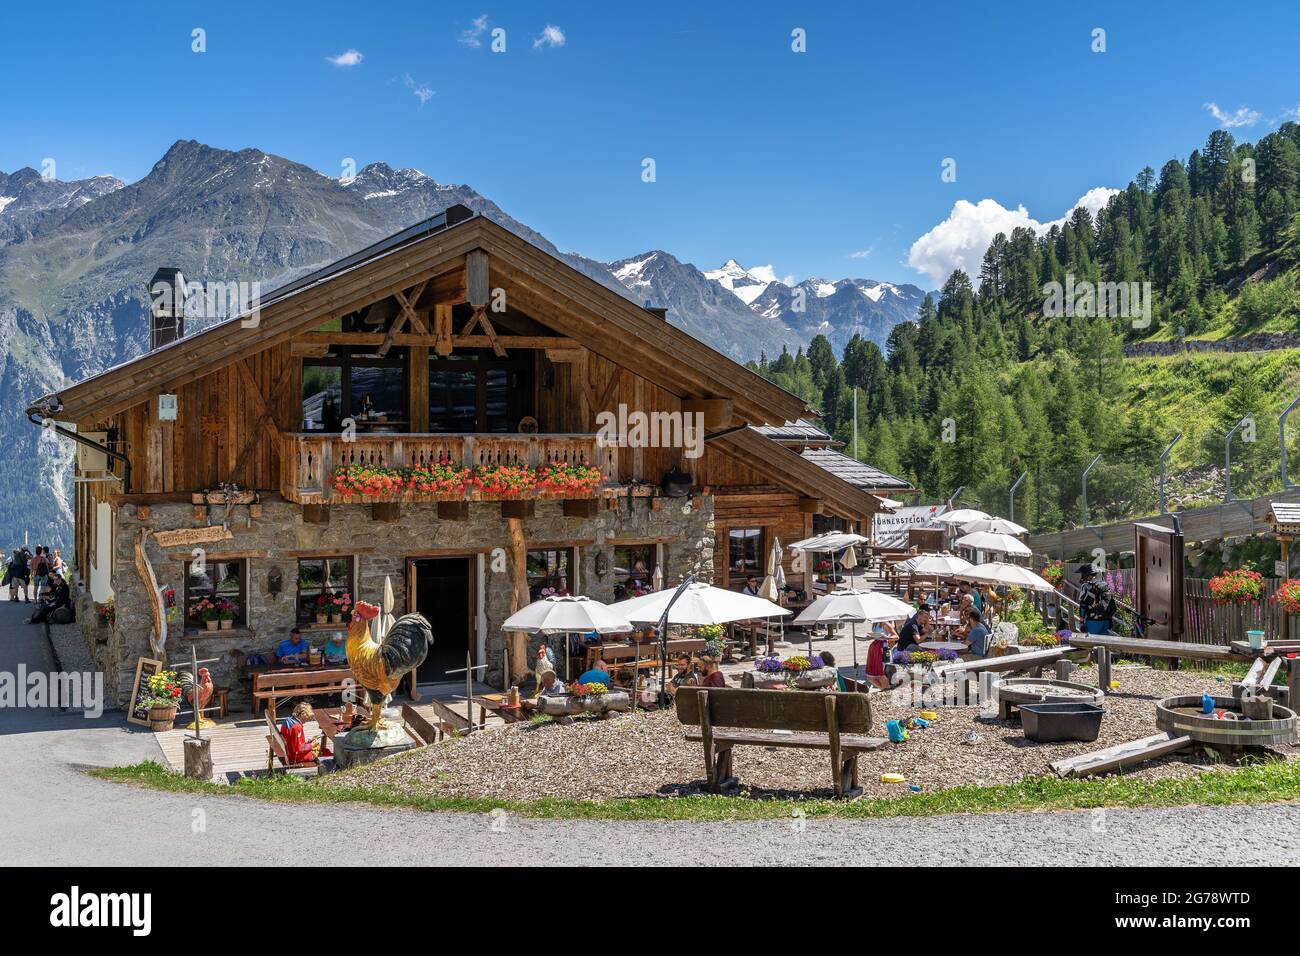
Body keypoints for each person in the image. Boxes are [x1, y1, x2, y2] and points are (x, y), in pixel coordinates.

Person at [1076, 565, 1116, 634]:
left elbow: (1083, 605)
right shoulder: (1104, 584)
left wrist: (1081, 621)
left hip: (1092, 622)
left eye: (1082, 574)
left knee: (1092, 643)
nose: (1082, 576)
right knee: (1104, 643)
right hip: (1105, 621)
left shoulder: (1086, 586)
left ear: (1086, 574)